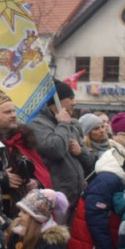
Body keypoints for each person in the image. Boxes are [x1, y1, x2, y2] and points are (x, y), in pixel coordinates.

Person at [27, 80, 88, 209]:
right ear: (57, 101)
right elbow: (56, 149)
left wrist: (81, 153)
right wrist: (63, 124)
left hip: (73, 198)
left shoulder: (70, 124)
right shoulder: (37, 123)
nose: (74, 103)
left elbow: (89, 160)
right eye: (70, 98)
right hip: (53, 199)